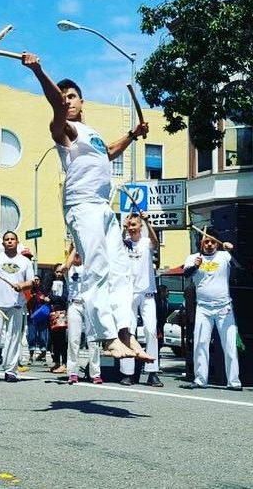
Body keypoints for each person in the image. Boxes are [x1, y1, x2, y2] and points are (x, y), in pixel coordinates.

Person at [21, 53, 152, 361]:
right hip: (82, 205)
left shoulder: (91, 132)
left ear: (82, 101)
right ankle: (106, 337)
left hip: (103, 206)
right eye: (63, 97)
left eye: (72, 97)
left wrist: (133, 134)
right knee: (98, 268)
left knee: (121, 271)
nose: (67, 101)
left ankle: (124, 332)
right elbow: (55, 103)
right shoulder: (62, 127)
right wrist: (39, 70)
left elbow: (107, 152)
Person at [182, 230, 242, 390]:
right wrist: (195, 266)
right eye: (206, 241)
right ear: (201, 243)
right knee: (201, 343)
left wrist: (232, 250)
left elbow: (241, 265)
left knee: (229, 344)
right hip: (203, 307)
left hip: (224, 307)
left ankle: (234, 381)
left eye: (213, 242)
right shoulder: (193, 258)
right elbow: (186, 275)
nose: (209, 244)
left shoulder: (224, 256)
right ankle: (200, 379)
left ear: (218, 243)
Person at [0, 231, 34, 383]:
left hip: (16, 304)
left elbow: (31, 282)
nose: (9, 241)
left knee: (14, 338)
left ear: (17, 242)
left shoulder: (25, 262)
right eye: (6, 239)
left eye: (12, 239)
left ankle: (11, 371)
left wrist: (22, 285)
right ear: (3, 243)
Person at [120, 213, 163, 387]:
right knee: (128, 332)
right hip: (129, 293)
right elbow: (115, 245)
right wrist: (122, 229)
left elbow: (156, 242)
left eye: (134, 224)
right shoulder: (124, 243)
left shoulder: (146, 242)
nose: (131, 227)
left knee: (151, 330)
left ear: (140, 226)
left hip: (147, 293)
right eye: (129, 225)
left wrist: (147, 221)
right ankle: (128, 373)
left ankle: (152, 372)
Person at [64, 250, 103, 385]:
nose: (78, 255)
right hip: (74, 304)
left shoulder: (89, 267)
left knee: (93, 341)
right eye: (75, 253)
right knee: (73, 339)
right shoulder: (69, 269)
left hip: (89, 305)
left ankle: (95, 373)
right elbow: (65, 266)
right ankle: (72, 372)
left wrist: (82, 248)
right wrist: (74, 247)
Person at [48, 265, 68, 374]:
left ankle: (64, 363)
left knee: (62, 339)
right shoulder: (51, 282)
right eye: (57, 272)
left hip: (62, 312)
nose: (59, 274)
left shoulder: (65, 283)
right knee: (54, 339)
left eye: (61, 272)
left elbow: (64, 297)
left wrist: (51, 298)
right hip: (52, 313)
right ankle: (56, 362)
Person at [26, 275, 49, 365]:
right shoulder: (28, 291)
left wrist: (45, 299)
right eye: (34, 280)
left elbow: (48, 300)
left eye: (37, 280)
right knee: (31, 337)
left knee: (43, 337)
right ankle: (31, 357)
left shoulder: (44, 291)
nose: (36, 281)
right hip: (32, 317)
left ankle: (43, 356)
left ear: (40, 281)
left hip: (42, 317)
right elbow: (26, 301)